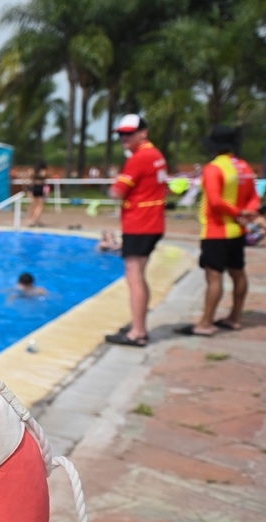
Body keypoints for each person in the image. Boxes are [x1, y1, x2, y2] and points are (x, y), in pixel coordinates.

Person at [178, 126, 260, 336]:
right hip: (238, 232)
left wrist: (237, 212)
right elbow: (254, 196)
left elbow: (214, 201)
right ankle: (234, 317)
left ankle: (205, 323)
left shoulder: (213, 168)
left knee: (214, 277)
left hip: (217, 230)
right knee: (238, 273)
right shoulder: (244, 167)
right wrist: (247, 212)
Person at [105, 115, 168, 348]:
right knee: (139, 275)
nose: (124, 138)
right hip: (152, 222)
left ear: (143, 133)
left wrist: (115, 184)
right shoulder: (156, 155)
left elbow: (117, 192)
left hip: (140, 223)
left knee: (134, 277)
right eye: (121, 134)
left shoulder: (140, 157)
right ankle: (138, 323)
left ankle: (137, 332)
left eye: (129, 133)